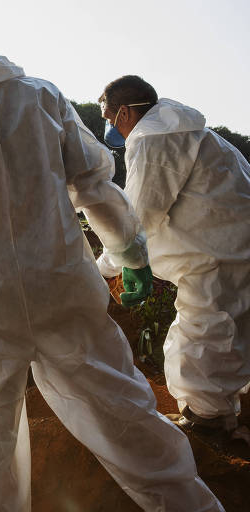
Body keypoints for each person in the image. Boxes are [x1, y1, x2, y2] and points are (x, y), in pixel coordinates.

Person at [0, 21, 223, 511]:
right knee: (119, 407)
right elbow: (93, 185)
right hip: (62, 287)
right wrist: (129, 251)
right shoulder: (43, 97)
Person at [96, 75, 250, 433]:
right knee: (236, 333)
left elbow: (137, 217)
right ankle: (234, 413)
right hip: (233, 247)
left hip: (215, 257)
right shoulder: (195, 133)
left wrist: (105, 266)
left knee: (202, 336)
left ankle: (208, 422)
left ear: (123, 113)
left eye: (108, 118)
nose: (109, 126)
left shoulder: (154, 140)